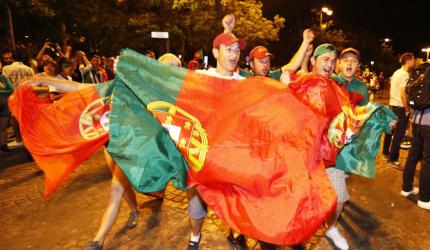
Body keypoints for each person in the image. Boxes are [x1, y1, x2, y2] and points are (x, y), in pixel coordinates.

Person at [187, 23, 246, 250]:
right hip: (202, 156)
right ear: (215, 53)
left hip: (232, 157)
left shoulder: (244, 84)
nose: (234, 54)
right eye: (229, 49)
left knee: (234, 201)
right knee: (196, 206)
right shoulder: (200, 78)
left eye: (237, 50)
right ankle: (195, 237)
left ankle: (236, 233)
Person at [401, 62, 430, 210]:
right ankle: (425, 199)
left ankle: (406, 189)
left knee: (413, 156)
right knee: (428, 161)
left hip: (417, 122)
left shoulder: (422, 70)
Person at [382, 52, 415, 167]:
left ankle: (386, 153)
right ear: (408, 61)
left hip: (392, 105)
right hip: (400, 108)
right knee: (398, 134)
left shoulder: (396, 72)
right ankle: (393, 159)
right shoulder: (405, 75)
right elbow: (402, 94)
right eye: (413, 60)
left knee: (390, 131)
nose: (414, 62)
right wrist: (407, 109)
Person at [0, 75, 13, 152]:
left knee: (3, 128)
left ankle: (3, 145)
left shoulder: (3, 77)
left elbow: (11, 90)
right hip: (4, 104)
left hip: (3, 105)